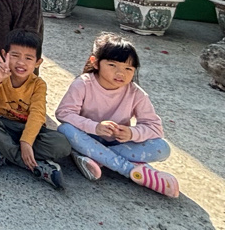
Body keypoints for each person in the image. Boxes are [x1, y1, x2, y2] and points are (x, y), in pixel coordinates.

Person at [55, 32, 179, 197]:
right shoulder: (83, 84)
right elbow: (63, 113)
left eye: (128, 68)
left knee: (162, 148)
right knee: (65, 130)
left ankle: (96, 157)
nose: (121, 73)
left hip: (118, 143)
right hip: (86, 137)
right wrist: (95, 127)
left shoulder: (136, 93)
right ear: (95, 62)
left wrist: (132, 133)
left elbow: (155, 128)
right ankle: (129, 169)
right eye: (112, 65)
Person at [0, 29, 71, 188]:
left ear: (38, 62)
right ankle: (35, 166)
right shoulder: (0, 74)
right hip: (3, 125)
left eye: (28, 58)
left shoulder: (38, 84)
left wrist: (26, 142)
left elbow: (37, 114)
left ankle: (3, 153)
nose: (21, 62)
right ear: (5, 55)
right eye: (15, 55)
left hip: (30, 131)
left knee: (62, 145)